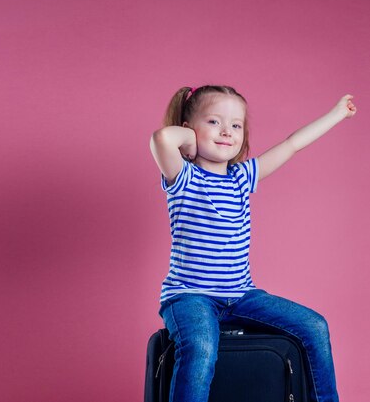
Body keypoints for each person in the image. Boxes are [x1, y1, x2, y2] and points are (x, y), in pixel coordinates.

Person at [149, 85, 357, 402]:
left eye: (235, 125)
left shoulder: (243, 178)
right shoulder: (183, 176)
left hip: (241, 295)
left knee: (314, 326)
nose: (226, 132)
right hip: (190, 296)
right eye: (214, 122)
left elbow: (292, 145)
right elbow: (162, 139)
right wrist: (190, 140)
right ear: (189, 130)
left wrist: (337, 114)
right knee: (202, 344)